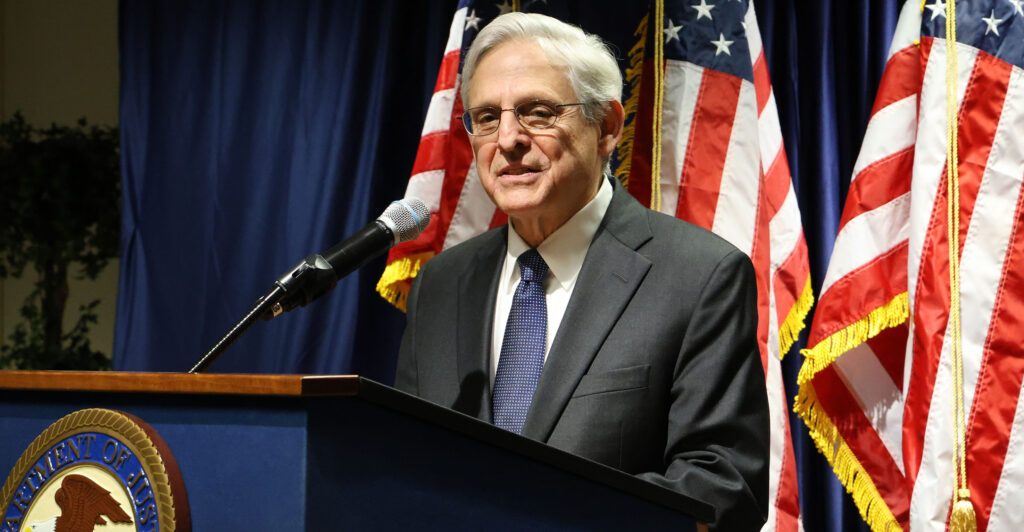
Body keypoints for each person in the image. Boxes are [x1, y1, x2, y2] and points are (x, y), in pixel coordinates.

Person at [395, 12, 768, 531]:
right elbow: (403, 467)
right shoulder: (441, 284)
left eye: (537, 112)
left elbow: (724, 484)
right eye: (485, 117)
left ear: (607, 128)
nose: (507, 139)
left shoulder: (699, 276)